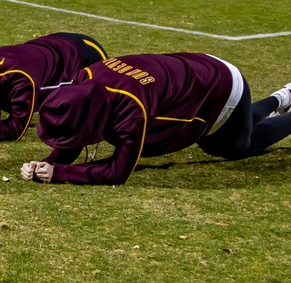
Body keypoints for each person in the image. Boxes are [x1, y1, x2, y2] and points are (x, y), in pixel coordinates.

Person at [20, 52, 291, 185]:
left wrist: (60, 172)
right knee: (221, 134)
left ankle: (283, 103)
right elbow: (76, 126)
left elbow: (118, 172)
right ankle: (282, 98)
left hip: (220, 85)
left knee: (235, 146)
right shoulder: (84, 80)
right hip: (200, 67)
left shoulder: (131, 110)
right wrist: (45, 163)